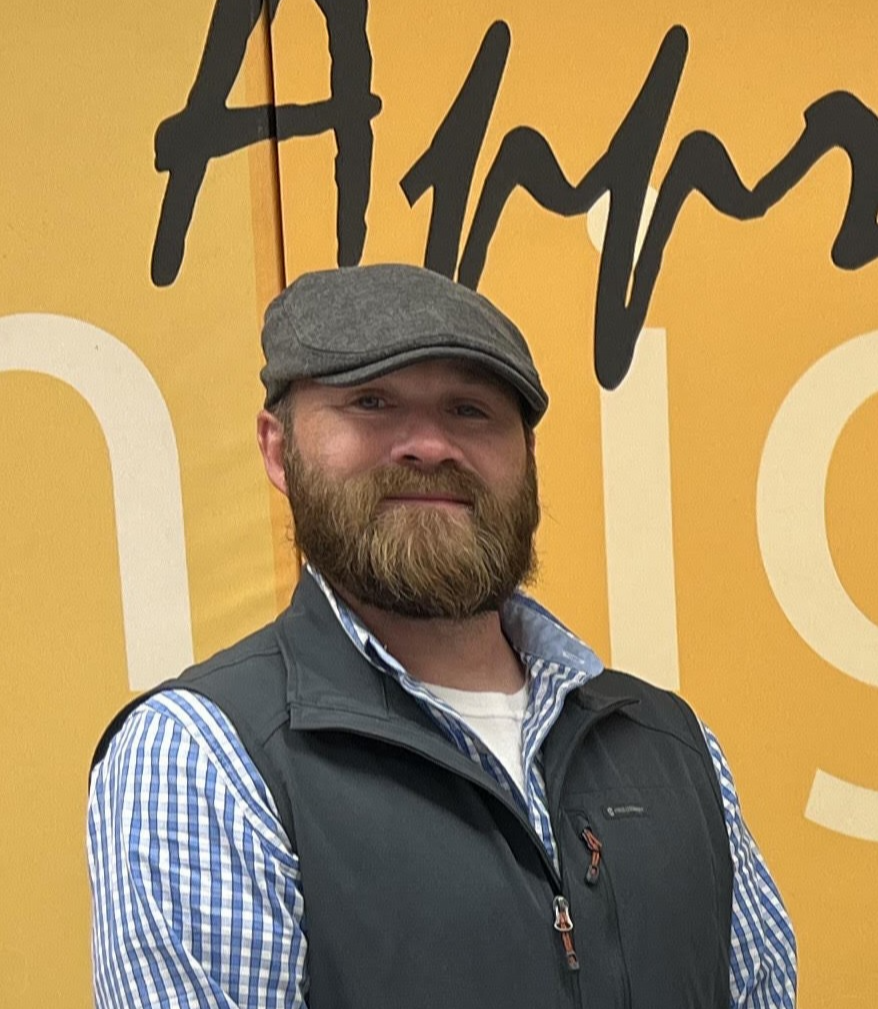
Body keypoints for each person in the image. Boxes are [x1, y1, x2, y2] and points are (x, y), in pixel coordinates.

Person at [87, 263, 797, 1008]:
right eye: (371, 401)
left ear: (525, 459)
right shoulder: (205, 759)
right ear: (278, 449)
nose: (428, 445)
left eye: (469, 410)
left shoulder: (673, 747)